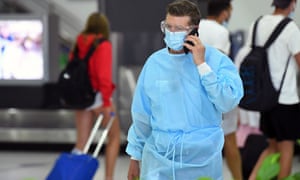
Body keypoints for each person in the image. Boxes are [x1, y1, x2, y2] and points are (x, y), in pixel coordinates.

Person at [126, 0, 244, 179]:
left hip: (202, 161)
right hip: (159, 160)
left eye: (179, 29)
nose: (172, 33)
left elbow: (228, 102)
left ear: (194, 30)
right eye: (169, 26)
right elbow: (142, 114)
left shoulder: (216, 61)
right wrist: (135, 156)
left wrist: (202, 66)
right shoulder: (155, 63)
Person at [246, 0, 300, 179]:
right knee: (286, 150)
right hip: (285, 99)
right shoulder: (290, 28)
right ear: (292, 4)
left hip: (265, 98)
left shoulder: (257, 23)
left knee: (271, 147)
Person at [70, 12, 121, 180]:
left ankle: (72, 176)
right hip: (99, 97)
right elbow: (103, 77)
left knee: (81, 143)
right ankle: (108, 178)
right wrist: (106, 102)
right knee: (114, 137)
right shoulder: (103, 45)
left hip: (81, 98)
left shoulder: (78, 43)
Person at [198, 1, 243, 180]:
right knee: (229, 139)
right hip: (217, 91)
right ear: (224, 13)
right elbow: (220, 64)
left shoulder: (196, 26)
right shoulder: (221, 32)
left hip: (197, 92)